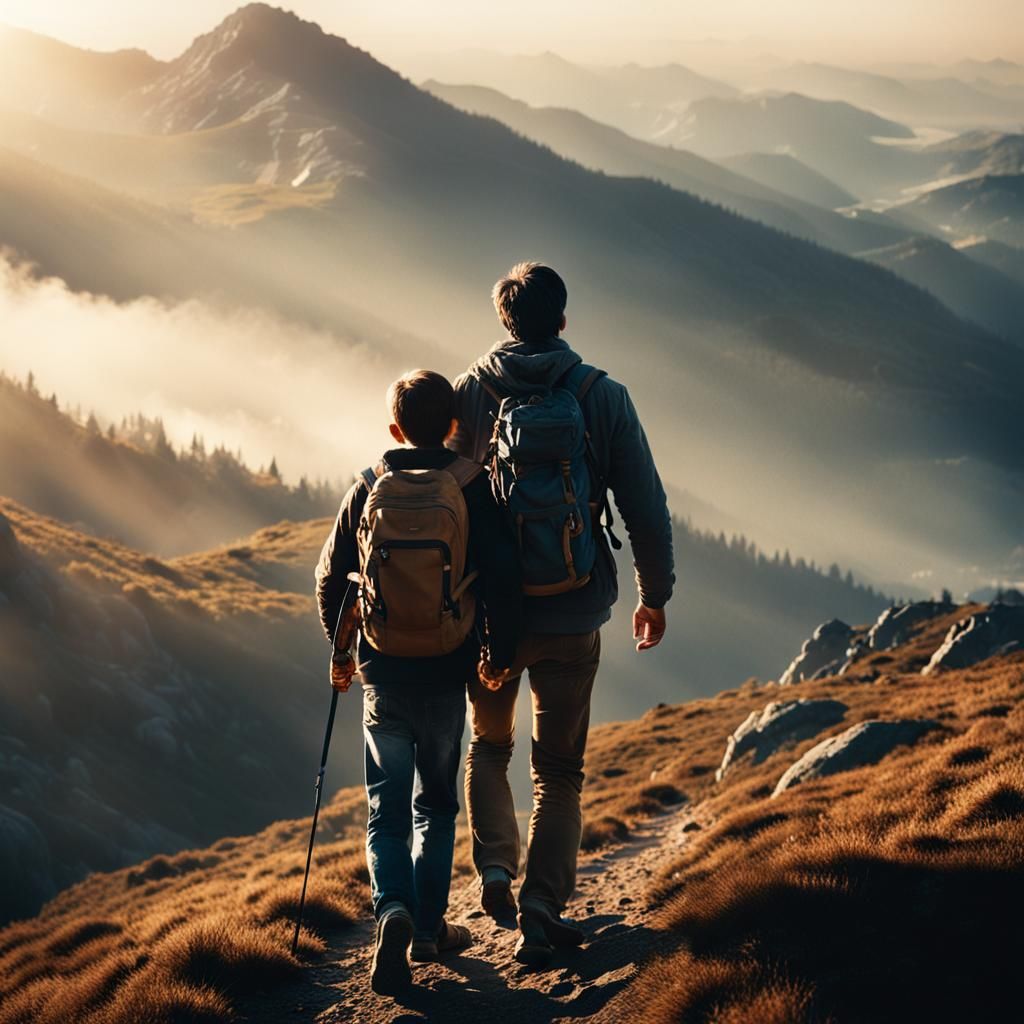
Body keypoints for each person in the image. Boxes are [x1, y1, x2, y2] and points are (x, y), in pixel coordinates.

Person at [449, 262, 675, 966]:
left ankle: (493, 871)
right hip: (575, 613)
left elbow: (444, 502)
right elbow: (643, 505)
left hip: (492, 619)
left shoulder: (471, 394)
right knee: (560, 771)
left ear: (504, 322)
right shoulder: (599, 395)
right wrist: (653, 595)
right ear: (564, 321)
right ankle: (542, 905)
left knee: (489, 746)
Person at [315, 370, 522, 994]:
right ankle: (429, 929)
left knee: (386, 811)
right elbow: (503, 578)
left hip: (383, 672)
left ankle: (394, 913)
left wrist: (342, 651)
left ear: (394, 429)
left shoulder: (369, 486)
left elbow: (330, 579)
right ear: (455, 426)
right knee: (435, 804)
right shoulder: (471, 485)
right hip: (446, 669)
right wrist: (497, 653)